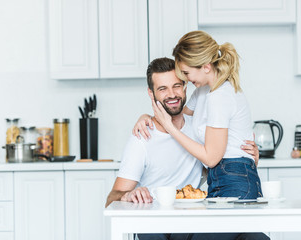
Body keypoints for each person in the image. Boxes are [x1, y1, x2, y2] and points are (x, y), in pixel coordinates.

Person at [106, 57, 269, 240]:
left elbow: (215, 165)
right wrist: (128, 195)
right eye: (162, 89)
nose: (172, 94)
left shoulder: (198, 128)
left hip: (191, 218)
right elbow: (111, 199)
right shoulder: (142, 138)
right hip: (157, 224)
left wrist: (244, 157)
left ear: (185, 86)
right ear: (151, 94)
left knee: (256, 237)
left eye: (177, 85)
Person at [134, 31, 262, 200]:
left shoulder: (220, 96)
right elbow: (177, 118)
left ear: (206, 67)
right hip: (222, 176)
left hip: (234, 177)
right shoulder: (203, 92)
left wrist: (169, 128)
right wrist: (146, 117)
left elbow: (210, 158)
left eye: (186, 73)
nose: (184, 79)